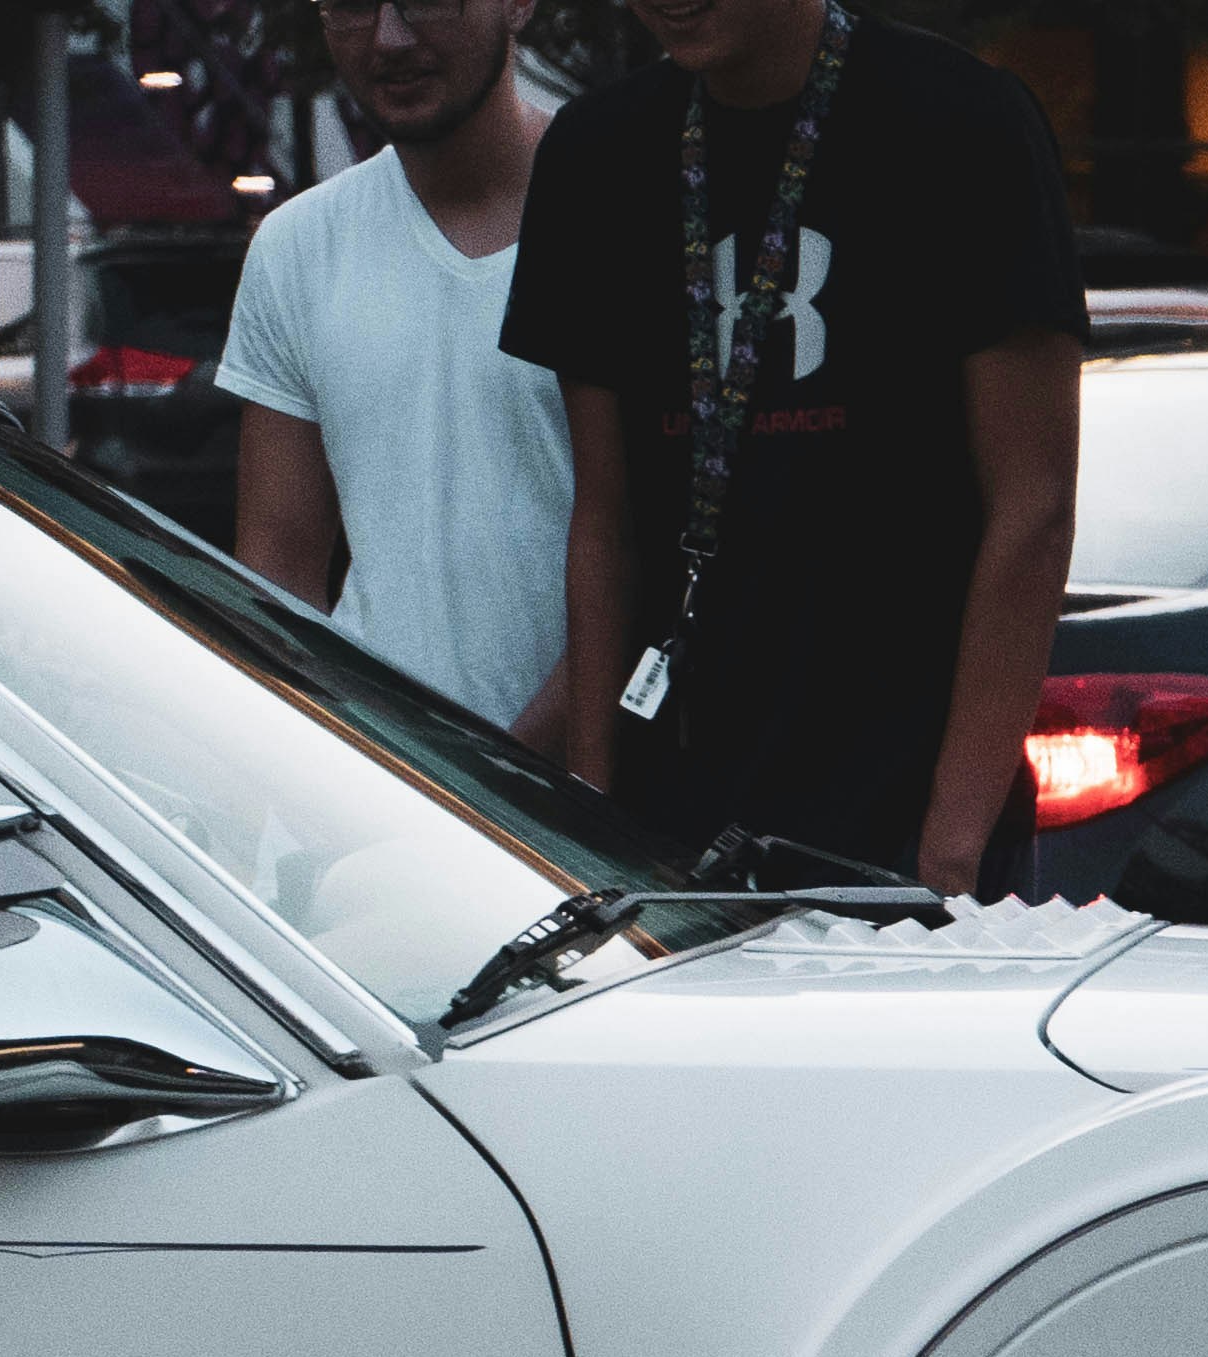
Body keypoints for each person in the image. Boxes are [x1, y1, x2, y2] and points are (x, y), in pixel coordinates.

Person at [503, 0, 1086, 895]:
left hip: (901, 828)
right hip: (668, 825)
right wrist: (593, 808)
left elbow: (1033, 506)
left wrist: (950, 849)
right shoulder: (596, 152)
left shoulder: (961, 120)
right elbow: (605, 520)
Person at [221, 0, 570, 740]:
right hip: (374, 792)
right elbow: (277, 580)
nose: (388, 37)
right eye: (349, 5)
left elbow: (656, 558)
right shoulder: (298, 248)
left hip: (586, 810)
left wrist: (520, 773)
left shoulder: (617, 212)